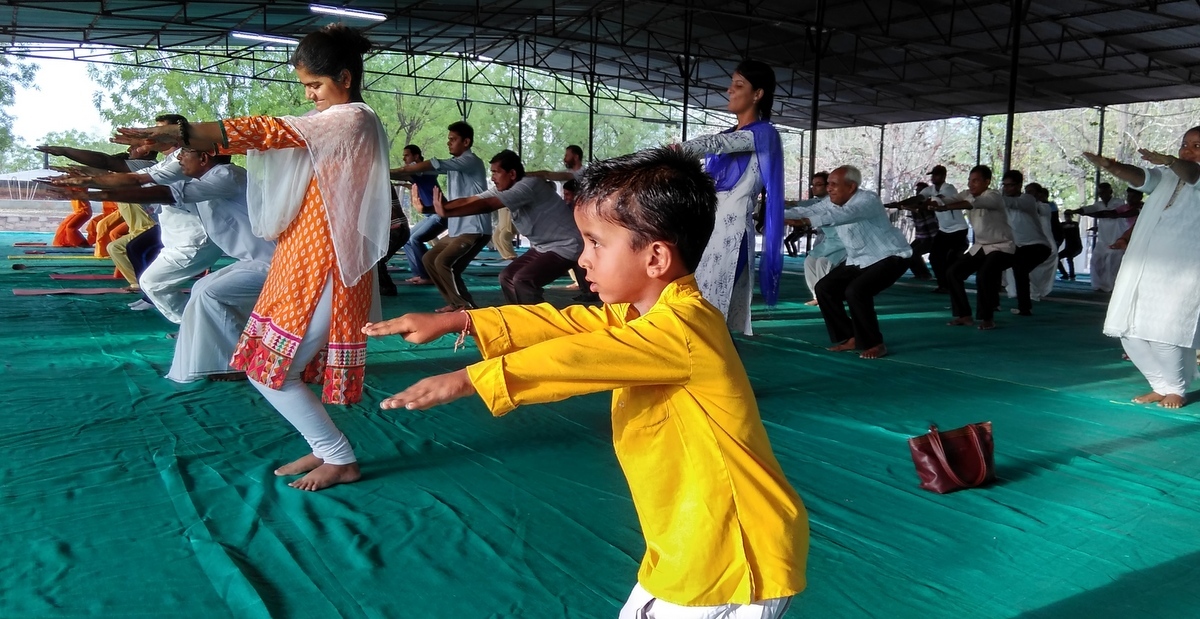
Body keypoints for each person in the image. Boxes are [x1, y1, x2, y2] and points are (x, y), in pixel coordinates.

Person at [363, 147, 807, 617]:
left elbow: (573, 358)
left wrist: (470, 379)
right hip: (690, 538)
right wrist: (462, 324)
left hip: (735, 551)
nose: (583, 257)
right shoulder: (640, 314)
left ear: (655, 257)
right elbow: (569, 326)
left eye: (596, 243)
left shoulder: (682, 329)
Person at [115, 24, 392, 490]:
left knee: (271, 372)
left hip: (325, 266)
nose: (310, 96)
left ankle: (338, 456)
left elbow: (268, 131)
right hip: (303, 259)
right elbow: (273, 136)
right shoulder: (330, 126)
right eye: (305, 86)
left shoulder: (353, 119)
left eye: (316, 85)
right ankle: (325, 447)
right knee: (269, 365)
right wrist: (185, 138)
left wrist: (184, 133)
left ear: (345, 78)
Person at [1082, 129, 1200, 408]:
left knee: (1166, 332)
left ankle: (1176, 388)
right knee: (1129, 332)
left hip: (1183, 269)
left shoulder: (1189, 173)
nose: (1188, 150)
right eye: (1185, 145)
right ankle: (1159, 385)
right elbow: (1142, 178)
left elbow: (1193, 175)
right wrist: (1112, 166)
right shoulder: (1169, 177)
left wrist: (1171, 160)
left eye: (1197, 146)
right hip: (1143, 265)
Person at [677, 59, 785, 335]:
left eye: (739, 85)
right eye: (731, 84)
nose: (730, 90)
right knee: (701, 307)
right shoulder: (727, 137)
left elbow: (717, 144)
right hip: (708, 231)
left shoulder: (764, 135)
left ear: (758, 94)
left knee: (713, 311)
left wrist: (678, 149)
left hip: (733, 234)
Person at [787, 165, 912, 359]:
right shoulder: (830, 202)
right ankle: (851, 337)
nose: (829, 189)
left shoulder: (867, 200)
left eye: (834, 185)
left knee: (856, 290)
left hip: (890, 256)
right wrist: (775, 213)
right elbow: (807, 209)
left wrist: (806, 222)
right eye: (828, 184)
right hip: (858, 259)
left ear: (851, 187)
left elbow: (842, 215)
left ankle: (875, 343)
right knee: (824, 288)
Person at [434, 150, 583, 304]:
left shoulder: (528, 185)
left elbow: (487, 205)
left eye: (496, 172)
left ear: (512, 174)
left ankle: (536, 323)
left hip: (567, 246)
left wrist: (447, 213)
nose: (492, 178)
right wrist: (435, 207)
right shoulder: (505, 188)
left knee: (523, 279)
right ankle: (517, 317)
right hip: (543, 247)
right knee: (506, 276)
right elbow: (470, 200)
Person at [393, 122, 491, 312]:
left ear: (466, 141)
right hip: (457, 228)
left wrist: (391, 171)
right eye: (449, 140)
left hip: (473, 229)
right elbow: (420, 174)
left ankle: (464, 307)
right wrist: (426, 208)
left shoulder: (470, 161)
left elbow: (428, 165)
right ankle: (457, 304)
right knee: (430, 258)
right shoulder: (454, 168)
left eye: (453, 140)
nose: (449, 143)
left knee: (444, 262)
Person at [934, 165, 1015, 330]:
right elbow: (947, 200)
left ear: (987, 181)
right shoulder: (967, 194)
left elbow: (972, 203)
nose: (971, 184)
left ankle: (987, 318)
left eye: (976, 181)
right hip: (980, 247)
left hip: (1002, 248)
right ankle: (964, 315)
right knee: (953, 272)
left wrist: (944, 207)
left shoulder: (993, 196)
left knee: (984, 274)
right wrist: (930, 203)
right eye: (969, 181)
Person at [1002, 172, 1054, 316]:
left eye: (1010, 185)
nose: (1006, 188)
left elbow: (1012, 203)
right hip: (1019, 247)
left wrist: (990, 198)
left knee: (1020, 269)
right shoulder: (1005, 203)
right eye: (1004, 185)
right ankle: (993, 303)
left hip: (1039, 247)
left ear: (1019, 185)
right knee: (993, 264)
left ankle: (1025, 307)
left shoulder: (1028, 200)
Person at [393, 144, 444, 286]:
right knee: (407, 239)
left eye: (406, 155)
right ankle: (419, 274)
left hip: (440, 214)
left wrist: (379, 169)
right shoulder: (418, 173)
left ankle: (427, 275)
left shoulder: (424, 170)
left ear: (416, 156)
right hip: (431, 215)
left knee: (415, 239)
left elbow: (402, 173)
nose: (404, 158)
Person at [1065, 182, 1128, 292]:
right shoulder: (1098, 205)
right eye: (1100, 192)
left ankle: (1113, 287)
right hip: (1103, 240)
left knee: (1113, 265)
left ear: (1110, 192)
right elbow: (1089, 209)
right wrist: (1075, 211)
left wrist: (1085, 213)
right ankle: (1099, 285)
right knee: (1096, 262)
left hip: (1116, 239)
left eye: (1104, 191)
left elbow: (1106, 214)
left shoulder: (1118, 203)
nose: (1101, 194)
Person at [921, 165, 968, 293]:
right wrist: (903, 203)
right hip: (944, 230)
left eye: (936, 175)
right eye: (932, 175)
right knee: (935, 257)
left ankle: (954, 282)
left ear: (943, 176)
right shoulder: (931, 189)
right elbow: (921, 197)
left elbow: (938, 200)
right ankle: (944, 285)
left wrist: (926, 203)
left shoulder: (949, 189)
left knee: (952, 259)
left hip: (958, 229)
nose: (933, 178)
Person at [375, 185, 412, 296]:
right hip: (392, 228)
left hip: (395, 229)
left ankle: (386, 289)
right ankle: (384, 288)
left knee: (377, 260)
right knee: (376, 260)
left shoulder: (376, 179)